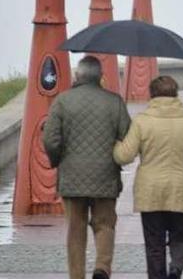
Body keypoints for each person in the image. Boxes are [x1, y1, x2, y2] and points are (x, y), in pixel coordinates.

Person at [43, 56, 131, 279]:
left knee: (75, 229)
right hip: (105, 175)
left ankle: (77, 275)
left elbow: (51, 139)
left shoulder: (62, 101)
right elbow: (127, 136)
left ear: (77, 76)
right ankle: (102, 267)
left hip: (72, 176)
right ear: (101, 77)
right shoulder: (114, 101)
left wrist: (57, 161)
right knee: (105, 224)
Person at [113, 76, 183, 279]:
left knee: (154, 244)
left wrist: (114, 143)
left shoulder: (142, 121)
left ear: (152, 94)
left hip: (151, 192)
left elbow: (124, 156)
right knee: (180, 238)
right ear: (176, 94)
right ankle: (176, 267)